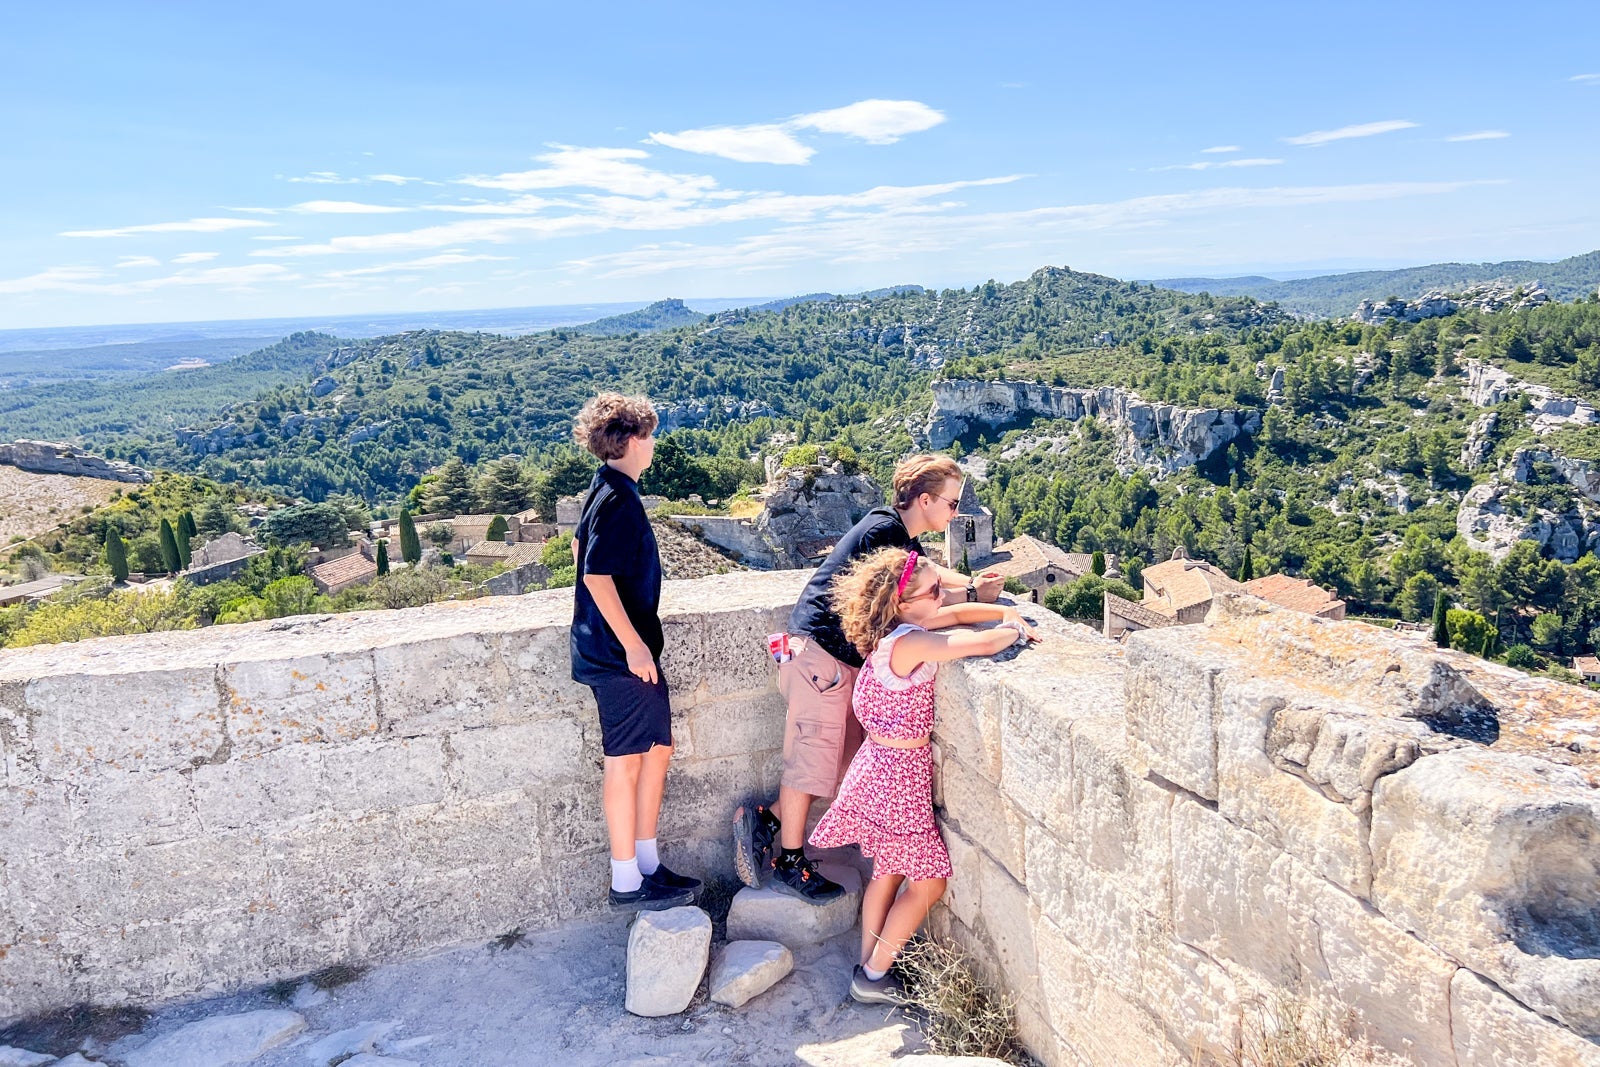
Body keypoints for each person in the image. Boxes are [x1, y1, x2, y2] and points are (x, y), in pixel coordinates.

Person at [734, 454, 1003, 901]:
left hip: (832, 657)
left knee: (841, 760)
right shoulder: (886, 534)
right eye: (952, 504)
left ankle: (766, 819)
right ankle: (789, 862)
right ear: (925, 499)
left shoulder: (891, 530)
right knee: (813, 760)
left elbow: (927, 582)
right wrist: (978, 595)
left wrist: (976, 588)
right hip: (821, 654)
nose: (956, 513)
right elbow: (915, 590)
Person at [811, 546, 1037, 1004]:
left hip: (877, 770)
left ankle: (866, 963)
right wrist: (1012, 627)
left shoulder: (890, 633)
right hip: (899, 779)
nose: (944, 593)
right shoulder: (911, 642)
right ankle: (874, 976)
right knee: (930, 882)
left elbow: (956, 614)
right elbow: (974, 642)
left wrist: (999, 605)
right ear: (902, 603)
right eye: (935, 589)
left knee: (887, 872)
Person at [570, 393, 702, 911]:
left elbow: (580, 548)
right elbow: (595, 574)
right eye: (647, 435)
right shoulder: (619, 499)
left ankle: (646, 862)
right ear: (628, 441)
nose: (653, 443)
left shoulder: (606, 486)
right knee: (624, 763)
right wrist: (634, 647)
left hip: (615, 650)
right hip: (619, 656)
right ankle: (626, 880)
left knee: (656, 749)